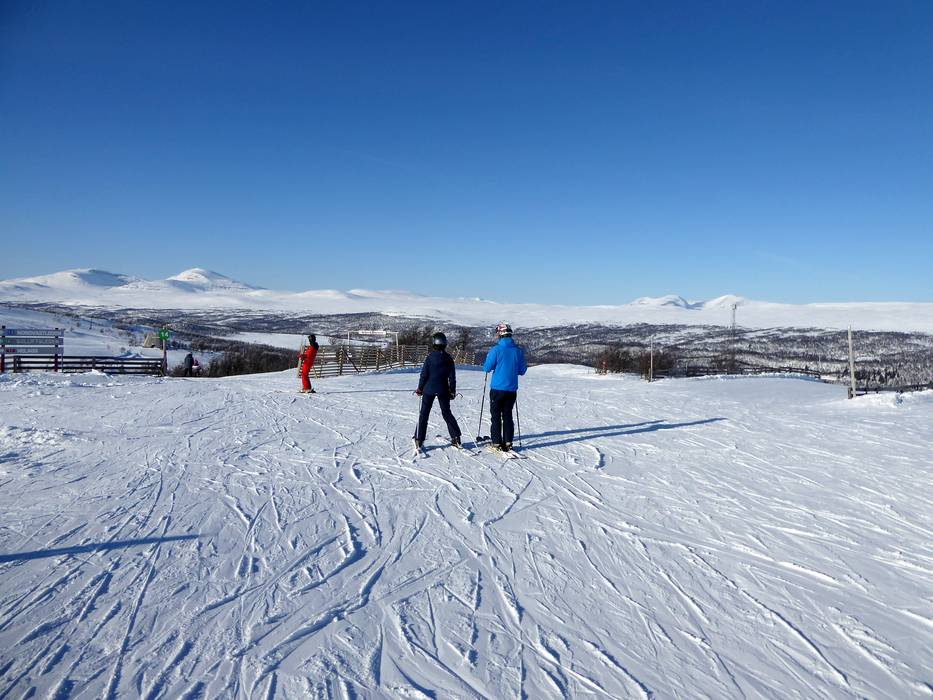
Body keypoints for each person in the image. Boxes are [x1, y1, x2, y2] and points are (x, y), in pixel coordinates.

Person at [483, 322, 527, 452]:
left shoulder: (496, 350)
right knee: (507, 415)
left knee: (496, 416)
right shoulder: (518, 351)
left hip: (497, 388)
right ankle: (508, 442)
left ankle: (496, 442)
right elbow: (522, 370)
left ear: (500, 334)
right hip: (511, 389)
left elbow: (487, 368)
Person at [415, 332, 462, 449]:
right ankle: (456, 438)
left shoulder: (430, 358)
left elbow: (424, 375)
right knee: (446, 413)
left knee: (424, 414)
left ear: (434, 343)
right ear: (445, 344)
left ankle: (419, 439)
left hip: (428, 389)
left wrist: (420, 388)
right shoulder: (449, 358)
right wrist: (452, 391)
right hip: (443, 389)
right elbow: (452, 377)